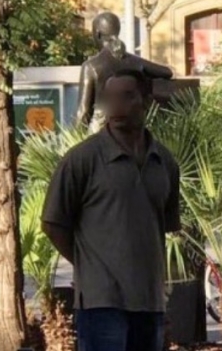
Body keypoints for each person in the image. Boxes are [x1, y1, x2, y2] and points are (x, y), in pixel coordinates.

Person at [41, 68, 181, 351]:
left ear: (146, 100)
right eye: (109, 98)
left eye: (126, 96)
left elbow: (164, 225)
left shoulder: (164, 161)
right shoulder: (82, 159)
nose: (115, 106)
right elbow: (53, 223)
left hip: (149, 301)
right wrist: (88, 264)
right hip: (101, 301)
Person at [76, 11, 173, 133]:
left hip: (102, 129)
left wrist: (76, 138)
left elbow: (83, 111)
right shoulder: (136, 62)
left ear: (98, 34)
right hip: (130, 128)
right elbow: (167, 72)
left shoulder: (91, 66)